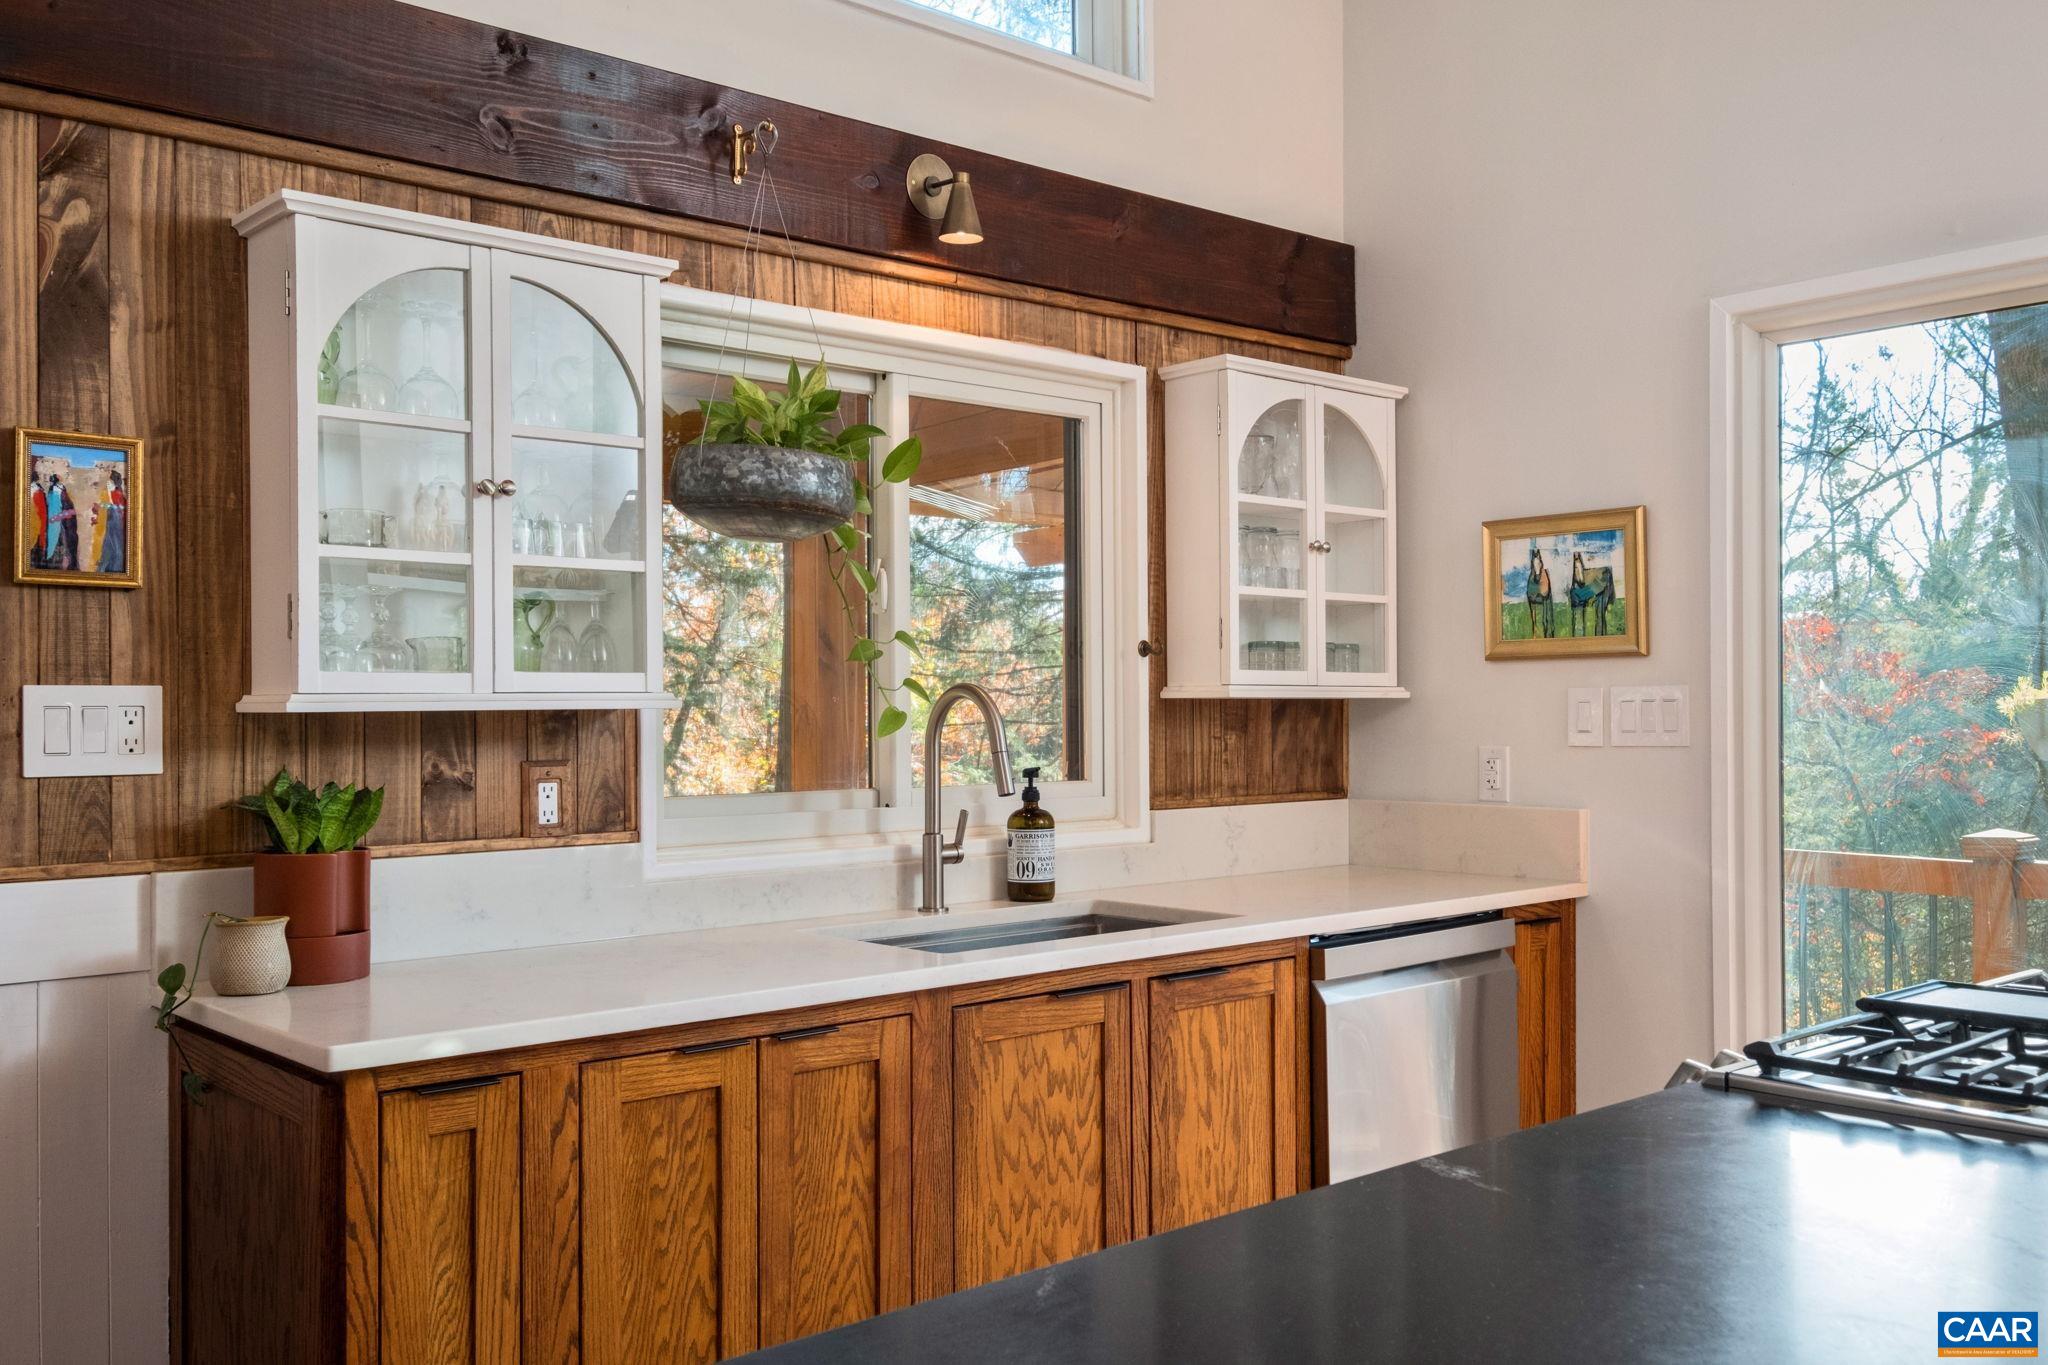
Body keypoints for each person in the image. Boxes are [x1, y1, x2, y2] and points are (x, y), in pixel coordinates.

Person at [96, 469, 126, 574]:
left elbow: (120, 508)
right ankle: (105, 567)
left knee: (116, 546)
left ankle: (115, 568)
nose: (108, 483)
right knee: (108, 545)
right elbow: (111, 505)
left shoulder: (118, 493)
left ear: (114, 482)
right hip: (111, 522)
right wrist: (101, 505)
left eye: (110, 481)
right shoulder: (112, 492)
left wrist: (107, 505)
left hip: (117, 523)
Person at [27, 468, 48, 569]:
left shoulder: (36, 491)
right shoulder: (37, 491)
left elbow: (42, 515)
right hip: (34, 530)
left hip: (34, 530)